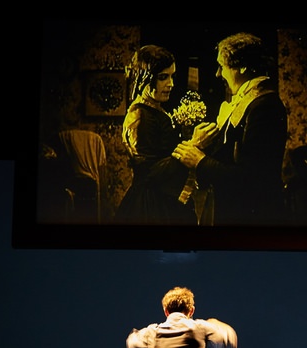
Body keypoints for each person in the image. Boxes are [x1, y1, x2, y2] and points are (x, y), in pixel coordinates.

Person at [172, 32, 288, 226]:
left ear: (242, 67)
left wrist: (200, 161)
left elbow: (252, 178)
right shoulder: (245, 102)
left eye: (222, 66)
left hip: (251, 218)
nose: (218, 74)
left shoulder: (264, 106)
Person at [114, 45, 207, 225]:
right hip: (151, 205)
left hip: (163, 198)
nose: (171, 84)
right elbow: (150, 172)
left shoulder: (153, 109)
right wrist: (194, 144)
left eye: (172, 76)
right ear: (145, 78)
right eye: (163, 77)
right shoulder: (140, 115)